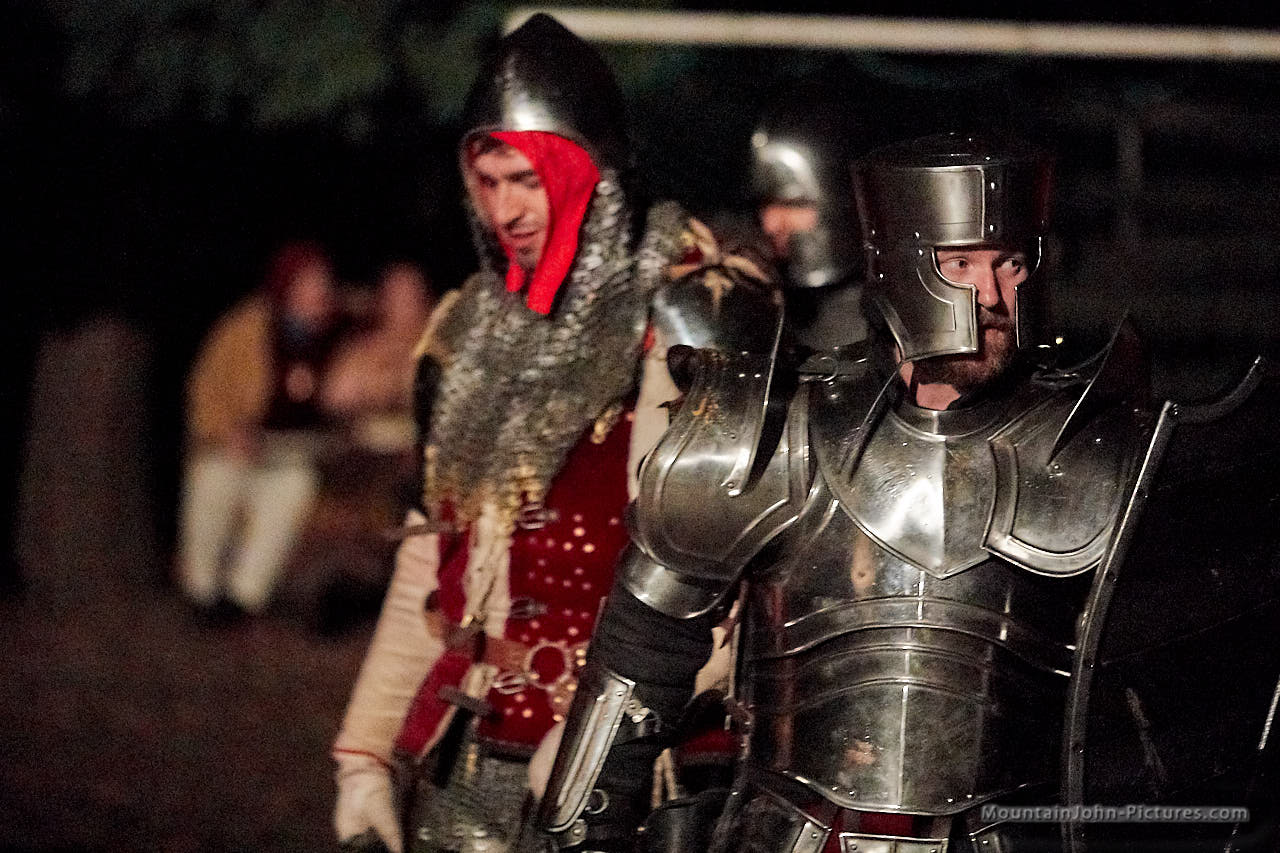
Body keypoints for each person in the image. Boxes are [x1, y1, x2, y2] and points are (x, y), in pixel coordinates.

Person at [535, 132, 1280, 853]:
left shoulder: (1104, 451)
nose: (992, 294)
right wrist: (591, 828)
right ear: (897, 265)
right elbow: (642, 656)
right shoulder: (774, 427)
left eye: (1011, 263)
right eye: (960, 263)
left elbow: (1178, 712)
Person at [330, 14, 779, 853]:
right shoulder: (470, 333)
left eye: (526, 181)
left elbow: (739, 583)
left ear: (586, 175)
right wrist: (362, 751)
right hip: (469, 746)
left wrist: (600, 737)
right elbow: (433, 562)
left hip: (634, 761)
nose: (504, 209)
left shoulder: (696, 314)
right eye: (487, 182)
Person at [177, 239, 342, 622]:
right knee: (214, 479)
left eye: (322, 282)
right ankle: (201, 590)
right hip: (243, 442)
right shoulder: (248, 328)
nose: (317, 292)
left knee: (292, 488)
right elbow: (205, 390)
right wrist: (227, 433)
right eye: (307, 283)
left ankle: (243, 597)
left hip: (300, 451)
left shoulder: (340, 331)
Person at [747, 82, 871, 353]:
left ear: (844, 200)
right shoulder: (770, 314)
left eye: (793, 204)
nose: (770, 223)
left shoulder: (883, 327)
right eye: (765, 204)